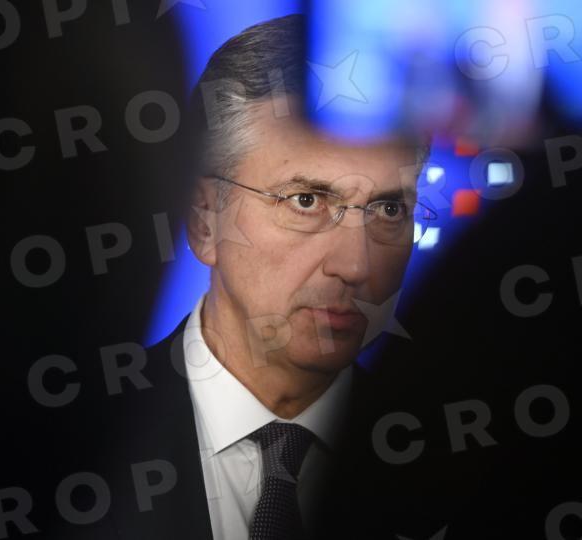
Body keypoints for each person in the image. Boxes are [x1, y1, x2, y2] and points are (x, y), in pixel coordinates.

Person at [47, 13, 431, 540]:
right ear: (204, 219)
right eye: (306, 201)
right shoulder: (61, 451)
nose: (355, 266)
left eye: (389, 210)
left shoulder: (455, 465)